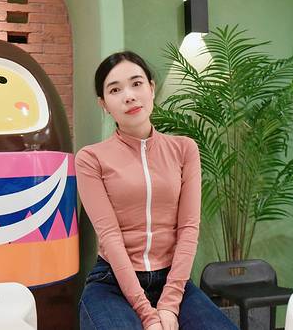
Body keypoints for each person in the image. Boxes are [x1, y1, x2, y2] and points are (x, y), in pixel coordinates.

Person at [75, 51, 238, 330]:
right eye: (115, 90)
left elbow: (188, 227)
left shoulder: (184, 149)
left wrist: (170, 303)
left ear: (151, 88)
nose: (129, 96)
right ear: (104, 104)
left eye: (136, 83)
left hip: (172, 282)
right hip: (112, 282)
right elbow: (110, 236)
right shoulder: (91, 158)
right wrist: (147, 315)